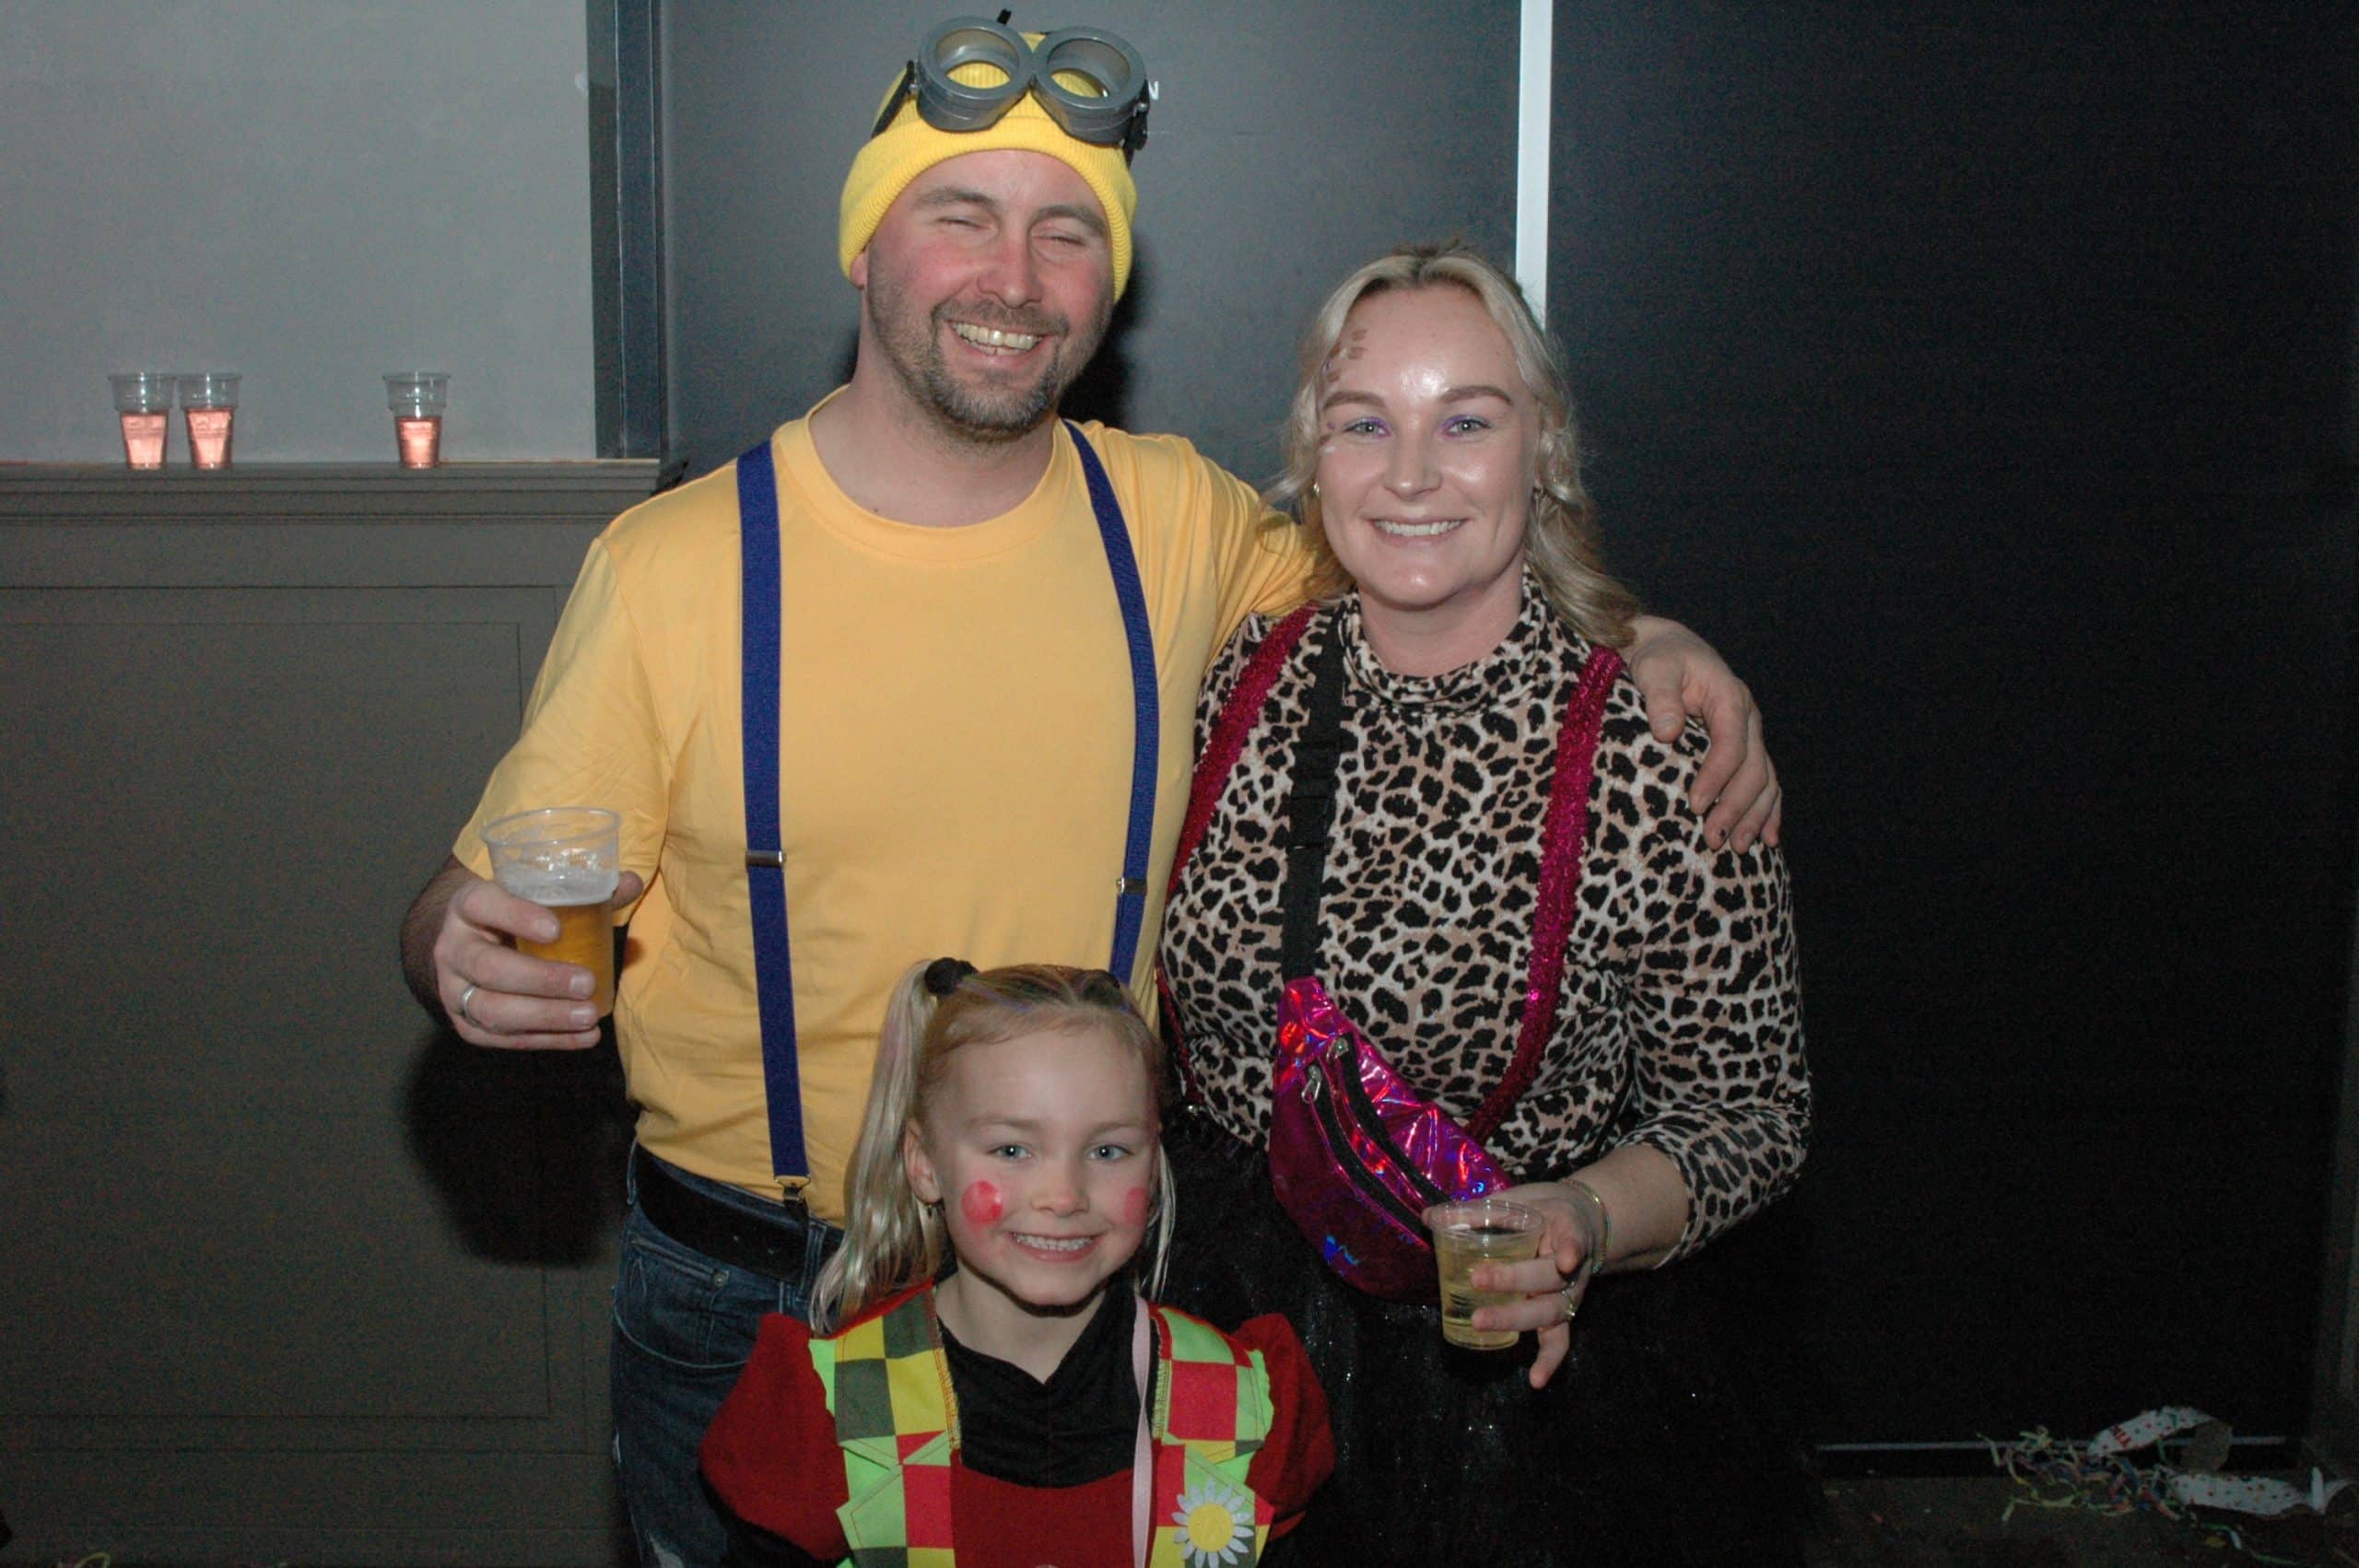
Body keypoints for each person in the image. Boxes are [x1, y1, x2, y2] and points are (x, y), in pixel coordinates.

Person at [396, 22, 1778, 1564]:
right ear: (863, 245)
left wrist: (1639, 636)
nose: (1015, 276)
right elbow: (486, 888)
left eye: (1068, 232)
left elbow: (1428, 555)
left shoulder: (1173, 519)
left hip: (1090, 1283)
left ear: (1108, 283)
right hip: (757, 1291)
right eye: (961, 214)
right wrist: (450, 942)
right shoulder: (669, 567)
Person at [1156, 240, 1813, 1565]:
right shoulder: (1243, 673)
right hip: (1227, 1335)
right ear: (1313, 456)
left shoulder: (1655, 745)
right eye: (1365, 423)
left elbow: (1753, 1111)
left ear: (1544, 450)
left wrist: (1582, 1217)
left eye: (1465, 421)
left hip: (1520, 1397)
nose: (1410, 473)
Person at [698, 959, 1334, 1564]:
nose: (1064, 1196)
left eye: (1108, 1151)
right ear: (924, 1163)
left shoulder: (1248, 1406)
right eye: (1012, 1150)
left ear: (1155, 1159)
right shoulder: (827, 1412)